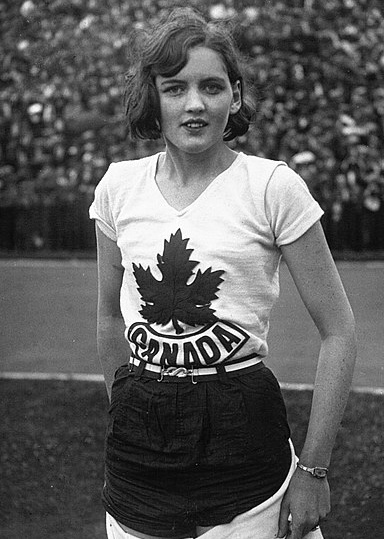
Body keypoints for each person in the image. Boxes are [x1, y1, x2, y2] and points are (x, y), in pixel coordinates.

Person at [89, 8, 356, 539]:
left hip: (244, 437)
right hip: (140, 450)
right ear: (153, 97)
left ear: (234, 97)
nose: (194, 104)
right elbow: (107, 319)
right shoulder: (118, 187)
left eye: (212, 87)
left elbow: (340, 331)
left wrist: (313, 469)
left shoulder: (273, 187)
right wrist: (129, 414)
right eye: (174, 88)